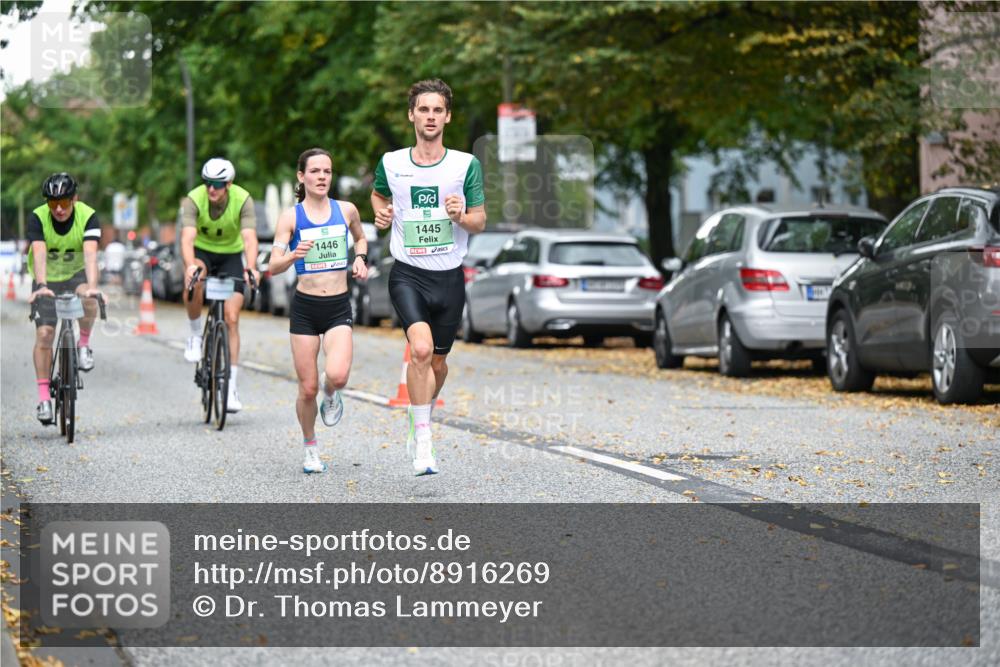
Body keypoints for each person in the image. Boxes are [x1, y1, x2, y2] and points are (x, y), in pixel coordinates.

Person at [371, 79, 486, 475]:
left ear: (448, 116)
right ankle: (423, 442)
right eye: (424, 109)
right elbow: (379, 195)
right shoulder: (391, 162)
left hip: (449, 278)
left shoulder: (465, 166)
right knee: (419, 351)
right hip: (408, 275)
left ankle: (418, 411)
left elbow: (480, 221)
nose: (430, 116)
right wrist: (382, 213)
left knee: (437, 363)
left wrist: (460, 216)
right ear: (411, 114)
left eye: (438, 110)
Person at [270, 148, 368, 473]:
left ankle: (332, 392)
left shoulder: (347, 209)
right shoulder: (291, 217)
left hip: (338, 305)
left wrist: (360, 258)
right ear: (302, 177)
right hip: (305, 309)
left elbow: (361, 238)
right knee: (307, 387)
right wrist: (293, 255)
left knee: (337, 376)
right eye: (315, 171)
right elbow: (272, 267)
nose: (322, 177)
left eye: (327, 171)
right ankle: (310, 446)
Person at [180, 157, 259, 413]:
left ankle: (232, 386)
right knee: (194, 280)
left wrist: (251, 266)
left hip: (230, 257)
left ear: (229, 184)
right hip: (202, 252)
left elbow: (249, 238)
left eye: (217, 184)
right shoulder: (194, 199)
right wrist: (190, 264)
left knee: (232, 317)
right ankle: (194, 335)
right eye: (207, 183)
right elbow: (187, 237)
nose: (211, 189)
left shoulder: (243, 199)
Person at [26, 173, 103, 424]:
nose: (58, 209)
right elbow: (39, 253)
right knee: (45, 335)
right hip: (46, 278)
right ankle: (43, 399)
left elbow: (91, 254)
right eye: (52, 203)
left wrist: (92, 286)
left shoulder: (88, 216)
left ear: (75, 199)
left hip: (76, 274)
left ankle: (83, 345)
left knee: (90, 299)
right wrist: (41, 285)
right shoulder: (38, 217)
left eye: (64, 203)